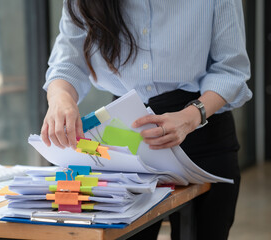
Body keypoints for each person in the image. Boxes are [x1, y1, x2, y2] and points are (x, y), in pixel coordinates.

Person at [41, 0, 252, 239]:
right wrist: (60, 99)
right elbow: (68, 62)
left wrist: (190, 117)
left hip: (202, 128)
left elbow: (230, 69)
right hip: (125, 136)